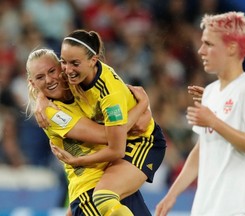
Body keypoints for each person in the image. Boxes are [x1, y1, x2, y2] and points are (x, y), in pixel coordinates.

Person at [35, 29, 166, 216]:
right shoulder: (74, 74)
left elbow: (116, 147)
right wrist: (40, 97)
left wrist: (79, 160)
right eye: (63, 62)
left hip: (141, 143)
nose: (67, 70)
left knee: (104, 197)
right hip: (105, 161)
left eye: (74, 63)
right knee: (107, 200)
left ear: (93, 61)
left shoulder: (108, 95)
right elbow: (46, 79)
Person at [155, 11, 245, 216]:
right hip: (207, 207)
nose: (201, 51)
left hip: (239, 208)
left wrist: (215, 122)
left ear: (232, 48)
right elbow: (201, 150)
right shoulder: (210, 93)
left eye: (209, 44)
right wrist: (172, 194)